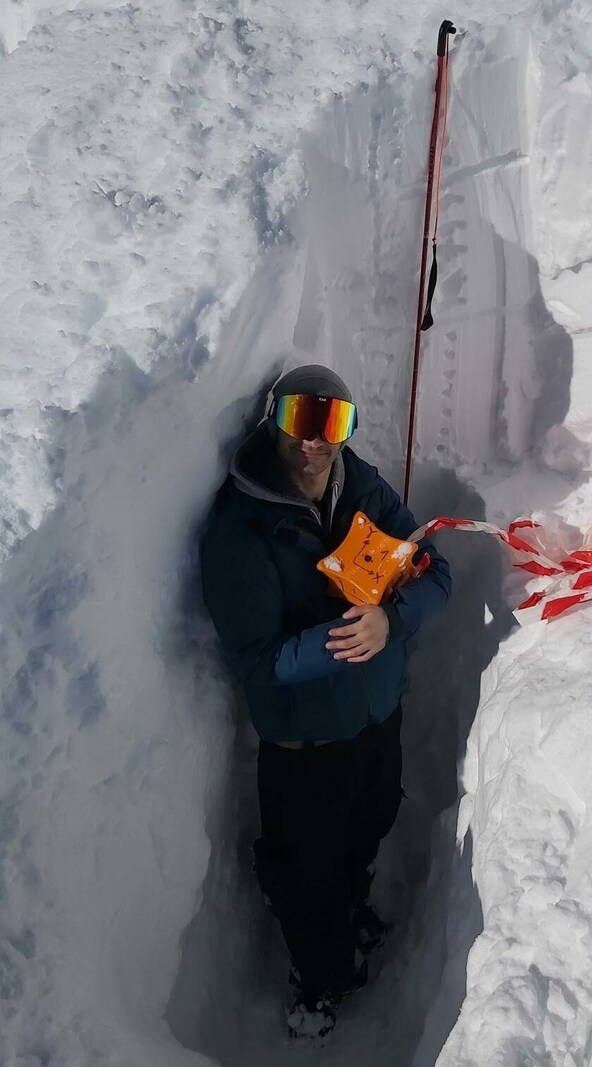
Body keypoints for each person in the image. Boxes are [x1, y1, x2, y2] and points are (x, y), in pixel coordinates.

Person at [200, 364, 451, 1040]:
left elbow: (438, 572)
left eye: (331, 423)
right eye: (299, 421)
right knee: (302, 875)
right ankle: (316, 981)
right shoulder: (239, 532)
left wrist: (391, 622)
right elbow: (258, 661)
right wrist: (345, 639)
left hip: (376, 724)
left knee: (369, 822)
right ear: (273, 422)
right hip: (304, 750)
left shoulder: (364, 487)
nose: (315, 442)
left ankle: (353, 910)